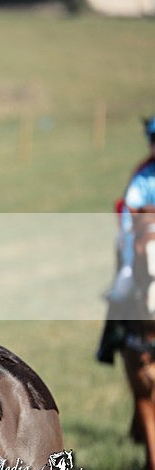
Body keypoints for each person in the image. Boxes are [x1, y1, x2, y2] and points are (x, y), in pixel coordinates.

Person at [96, 115, 155, 363]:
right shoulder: (143, 176)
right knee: (122, 287)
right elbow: (127, 211)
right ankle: (112, 340)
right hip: (144, 243)